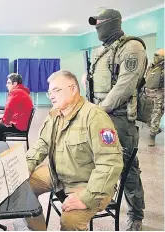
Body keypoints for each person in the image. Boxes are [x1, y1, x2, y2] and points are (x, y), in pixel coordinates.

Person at [25, 70, 123, 230]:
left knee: (70, 220)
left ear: (73, 89)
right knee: (24, 189)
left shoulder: (95, 116)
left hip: (88, 182)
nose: (52, 96)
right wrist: (27, 166)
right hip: (58, 174)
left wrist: (87, 197)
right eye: (50, 92)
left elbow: (110, 164)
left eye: (57, 90)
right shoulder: (55, 114)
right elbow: (42, 143)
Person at [88, 9, 147, 230]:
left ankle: (136, 214)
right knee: (100, 163)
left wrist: (98, 111)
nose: (97, 28)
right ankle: (104, 199)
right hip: (101, 117)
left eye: (100, 23)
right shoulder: (101, 52)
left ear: (113, 23)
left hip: (121, 120)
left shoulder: (132, 48)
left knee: (127, 169)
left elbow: (125, 86)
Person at [0, 73, 33, 141]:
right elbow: (12, 111)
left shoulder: (16, 92)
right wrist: (4, 120)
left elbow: (8, 109)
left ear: (15, 83)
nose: (6, 85)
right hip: (22, 125)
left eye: (8, 83)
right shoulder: (22, 92)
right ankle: (0, 148)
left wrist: (4, 121)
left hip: (18, 126)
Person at [144, 49, 164, 146]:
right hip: (148, 94)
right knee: (148, 116)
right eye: (155, 55)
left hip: (159, 95)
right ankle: (154, 128)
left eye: (158, 56)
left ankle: (152, 136)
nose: (155, 57)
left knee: (156, 115)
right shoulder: (151, 66)